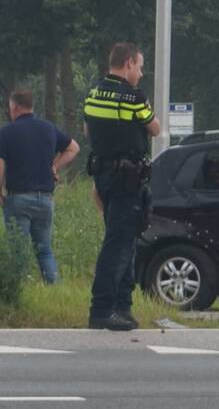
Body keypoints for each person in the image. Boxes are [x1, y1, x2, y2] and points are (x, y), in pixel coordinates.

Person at [84, 43, 161, 331]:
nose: (140, 73)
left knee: (125, 241)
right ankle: (102, 310)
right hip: (127, 179)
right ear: (128, 63)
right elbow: (156, 128)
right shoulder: (134, 97)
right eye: (139, 66)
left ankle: (123, 307)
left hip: (103, 175)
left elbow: (88, 131)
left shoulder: (93, 93)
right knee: (117, 245)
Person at [0, 89, 80, 284]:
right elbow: (74, 148)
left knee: (18, 251)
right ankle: (55, 290)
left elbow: (0, 164)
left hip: (18, 199)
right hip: (45, 199)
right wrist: (54, 166)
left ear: (14, 106)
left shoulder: (6, 132)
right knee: (44, 251)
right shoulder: (48, 128)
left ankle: (17, 291)